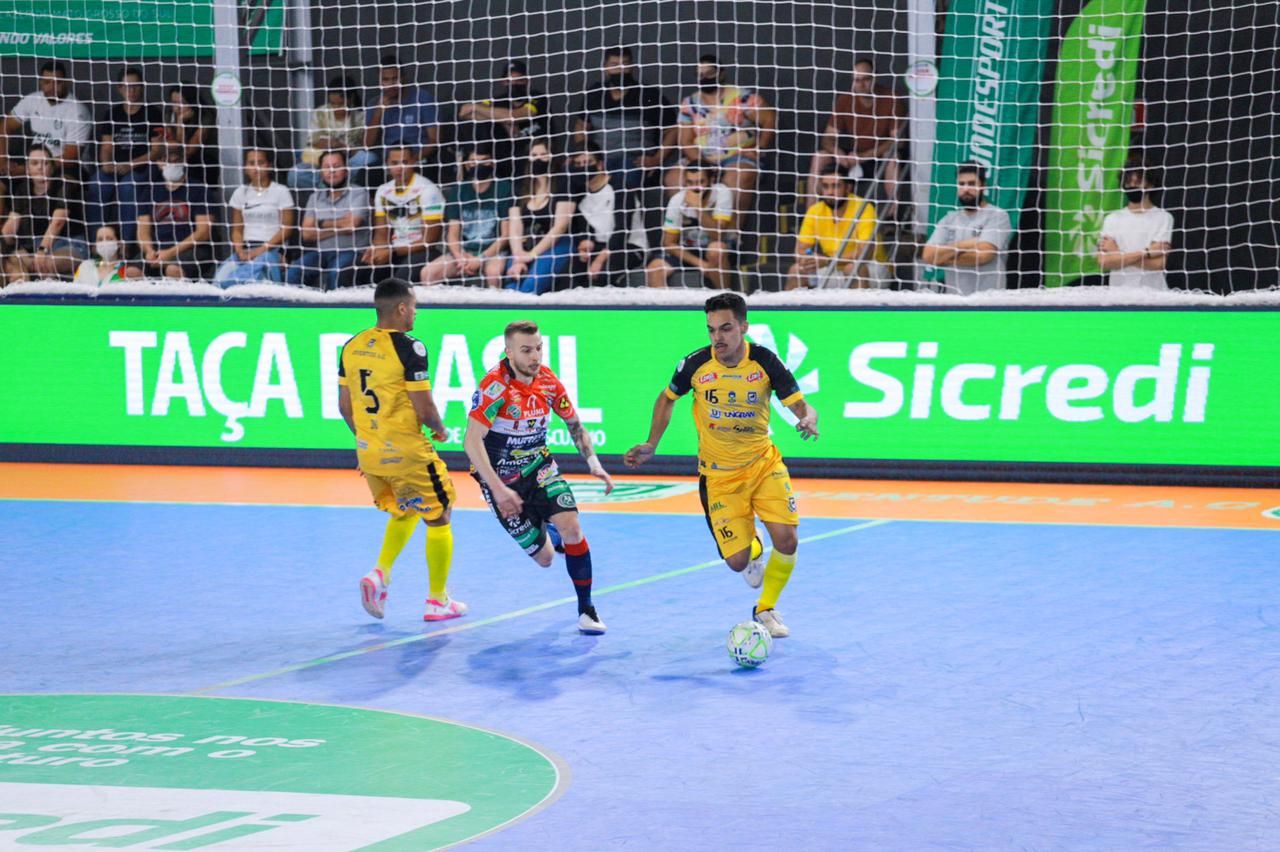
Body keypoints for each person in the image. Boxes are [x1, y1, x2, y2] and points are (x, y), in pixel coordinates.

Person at [624, 293, 818, 637]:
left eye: (726, 328)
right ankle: (753, 546)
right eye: (712, 329)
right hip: (718, 477)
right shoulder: (696, 364)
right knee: (738, 562)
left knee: (788, 541)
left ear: (744, 326)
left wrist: (809, 417)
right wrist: (651, 443)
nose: (718, 337)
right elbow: (666, 400)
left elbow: (800, 404)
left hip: (762, 464)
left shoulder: (765, 362)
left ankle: (766, 609)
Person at [463, 320, 612, 634]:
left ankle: (586, 609)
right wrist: (498, 489)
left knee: (572, 527)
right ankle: (547, 529)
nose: (535, 356)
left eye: (539, 348)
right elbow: (471, 441)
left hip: (540, 468)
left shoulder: (548, 381)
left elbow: (575, 425)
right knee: (545, 559)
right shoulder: (495, 387)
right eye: (526, 350)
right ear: (509, 352)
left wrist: (593, 462)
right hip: (501, 481)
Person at [339, 278, 463, 623]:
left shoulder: (351, 346)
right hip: (406, 450)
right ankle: (438, 601)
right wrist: (439, 428)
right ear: (402, 308)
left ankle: (380, 574)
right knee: (440, 512)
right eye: (415, 306)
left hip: (370, 452)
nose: (417, 312)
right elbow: (424, 406)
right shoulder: (410, 347)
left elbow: (344, 407)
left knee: (407, 508)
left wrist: (368, 442)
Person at [573, 46, 678, 249]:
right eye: (614, 65)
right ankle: (585, 242)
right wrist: (583, 154)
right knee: (572, 177)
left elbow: (673, 130)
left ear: (632, 67)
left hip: (633, 159)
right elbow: (580, 127)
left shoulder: (648, 95)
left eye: (625, 65)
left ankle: (621, 243)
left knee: (623, 179)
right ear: (605, 67)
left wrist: (656, 159)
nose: (620, 69)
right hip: (600, 160)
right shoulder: (595, 94)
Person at [667, 54, 776, 215]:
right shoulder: (689, 103)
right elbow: (686, 141)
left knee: (737, 177)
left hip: (738, 156)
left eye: (709, 73)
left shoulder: (742, 97)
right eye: (700, 74)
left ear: (721, 73)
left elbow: (770, 119)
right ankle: (689, 232)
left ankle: (731, 234)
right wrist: (702, 164)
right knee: (673, 178)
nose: (704, 78)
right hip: (702, 158)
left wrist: (760, 148)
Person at [808, 58, 904, 209]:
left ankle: (893, 219)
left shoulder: (891, 99)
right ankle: (811, 216)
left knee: (893, 158)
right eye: (857, 80)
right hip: (852, 157)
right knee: (820, 157)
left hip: (878, 157)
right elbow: (828, 138)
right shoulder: (845, 100)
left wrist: (865, 156)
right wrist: (838, 153)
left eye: (866, 79)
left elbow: (898, 141)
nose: (861, 84)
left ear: (875, 77)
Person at [420, 142, 511, 287]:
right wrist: (459, 256)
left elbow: (506, 235)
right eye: (474, 161)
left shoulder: (504, 188)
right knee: (428, 273)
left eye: (484, 161)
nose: (478, 165)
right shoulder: (460, 190)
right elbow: (452, 233)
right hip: (465, 251)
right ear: (467, 164)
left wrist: (481, 258)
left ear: (492, 163)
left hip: (493, 252)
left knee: (494, 273)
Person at [85, 65, 162, 237]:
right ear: (120, 88)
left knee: (128, 187)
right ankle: (96, 241)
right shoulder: (112, 114)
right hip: (116, 167)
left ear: (142, 87)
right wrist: (106, 163)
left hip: (143, 166)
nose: (132, 91)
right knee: (97, 184)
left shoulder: (152, 113)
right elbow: (106, 146)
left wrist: (131, 165)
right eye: (127, 86)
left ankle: (127, 243)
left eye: (136, 86)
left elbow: (157, 151)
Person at [921, 161, 1011, 294]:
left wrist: (944, 256)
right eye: (961, 184)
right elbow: (928, 256)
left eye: (971, 184)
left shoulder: (997, 215)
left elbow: (982, 256)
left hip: (990, 301)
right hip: (954, 302)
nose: (966, 189)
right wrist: (968, 243)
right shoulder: (949, 219)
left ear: (983, 186)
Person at [1, 144, 87, 283]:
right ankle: (23, 296)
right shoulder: (23, 190)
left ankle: (51, 299)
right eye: (35, 163)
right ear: (28, 169)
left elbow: (57, 223)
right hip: (35, 247)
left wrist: (42, 250)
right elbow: (12, 224)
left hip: (69, 244)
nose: (40, 167)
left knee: (46, 263)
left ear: (52, 168)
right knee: (10, 261)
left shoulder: (63, 185)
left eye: (45, 163)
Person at [287, 149, 370, 291]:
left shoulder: (359, 192)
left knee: (336, 273)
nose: (331, 171)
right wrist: (340, 225)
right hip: (322, 252)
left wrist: (320, 224)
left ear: (346, 170)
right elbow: (306, 234)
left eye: (336, 166)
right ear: (321, 171)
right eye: (327, 167)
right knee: (294, 272)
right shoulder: (315, 197)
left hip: (352, 251)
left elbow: (351, 226)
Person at [361, 145, 445, 284]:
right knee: (357, 273)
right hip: (394, 250)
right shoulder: (383, 190)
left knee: (399, 282)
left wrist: (392, 252)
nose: (399, 168)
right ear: (387, 164)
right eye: (394, 163)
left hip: (422, 252)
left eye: (404, 162)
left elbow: (429, 240)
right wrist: (378, 252)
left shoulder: (428, 189)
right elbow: (381, 233)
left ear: (413, 162)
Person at [786, 166, 878, 290]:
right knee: (796, 270)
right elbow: (799, 250)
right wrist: (810, 260)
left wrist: (828, 260)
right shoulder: (815, 210)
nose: (830, 192)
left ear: (848, 188)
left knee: (852, 268)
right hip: (833, 267)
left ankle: (861, 310)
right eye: (825, 186)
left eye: (836, 186)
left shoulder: (864, 207)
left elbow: (865, 253)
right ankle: (791, 310)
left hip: (871, 268)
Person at [213, 149, 295, 287]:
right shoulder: (240, 192)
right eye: (251, 163)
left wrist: (260, 250)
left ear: (269, 165)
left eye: (260, 162)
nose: (256, 167)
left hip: (271, 250)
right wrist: (239, 251)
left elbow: (286, 229)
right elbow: (237, 230)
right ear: (245, 168)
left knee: (255, 280)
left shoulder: (281, 191)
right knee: (219, 280)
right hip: (245, 251)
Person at [646, 162, 734, 288]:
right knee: (655, 268)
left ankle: (725, 299)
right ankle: (665, 307)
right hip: (689, 251)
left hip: (720, 249)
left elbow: (718, 236)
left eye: (700, 182)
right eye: (690, 183)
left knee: (716, 250)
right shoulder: (677, 200)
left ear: (711, 180)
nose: (695, 188)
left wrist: (698, 208)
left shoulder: (722, 193)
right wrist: (701, 264)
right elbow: (669, 243)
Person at [458, 59, 550, 179]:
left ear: (528, 81)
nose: (514, 84)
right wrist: (500, 118)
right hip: (503, 165)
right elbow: (464, 112)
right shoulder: (497, 101)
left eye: (519, 80)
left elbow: (515, 116)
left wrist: (502, 117)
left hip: (533, 162)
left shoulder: (538, 98)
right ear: (504, 82)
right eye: (509, 80)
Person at [1, 60, 93, 178]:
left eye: (57, 82)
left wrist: (27, 169)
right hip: (34, 164)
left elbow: (71, 157)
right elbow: (4, 127)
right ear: (40, 83)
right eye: (47, 82)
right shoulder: (32, 100)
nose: (52, 87)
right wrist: (2, 161)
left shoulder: (78, 111)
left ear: (67, 82)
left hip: (68, 168)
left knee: (63, 189)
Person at [504, 140, 574, 294]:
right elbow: (515, 226)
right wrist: (519, 256)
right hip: (524, 245)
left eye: (544, 155)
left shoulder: (564, 183)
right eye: (534, 155)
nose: (538, 159)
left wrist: (532, 255)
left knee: (531, 284)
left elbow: (560, 227)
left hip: (556, 244)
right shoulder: (520, 185)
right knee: (512, 285)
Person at [136, 145, 215, 281]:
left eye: (175, 161)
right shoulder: (150, 191)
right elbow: (142, 230)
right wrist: (149, 251)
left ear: (183, 161)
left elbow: (203, 232)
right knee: (132, 271)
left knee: (173, 270)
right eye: (166, 161)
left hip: (192, 249)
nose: (170, 165)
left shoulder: (199, 190)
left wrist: (171, 253)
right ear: (159, 163)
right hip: (158, 249)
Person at [1096, 160, 1174, 290]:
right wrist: (1147, 252)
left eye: (1137, 182)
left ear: (1150, 185)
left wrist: (1118, 254)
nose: (1132, 186)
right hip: (1118, 294)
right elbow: (1104, 262)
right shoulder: (1112, 219)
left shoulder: (1164, 217)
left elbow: (1158, 263)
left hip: (1155, 294)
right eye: (1128, 182)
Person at [288, 76, 374, 190]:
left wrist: (340, 146)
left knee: (370, 158)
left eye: (340, 104)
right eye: (333, 104)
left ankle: (330, 183)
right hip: (322, 161)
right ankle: (332, 184)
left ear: (350, 98)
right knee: (294, 174)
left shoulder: (361, 116)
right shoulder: (321, 113)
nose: (335, 108)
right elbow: (314, 145)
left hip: (348, 161)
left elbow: (363, 148)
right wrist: (331, 147)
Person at [566, 143, 633, 286]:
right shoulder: (579, 194)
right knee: (567, 276)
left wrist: (600, 259)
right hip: (597, 246)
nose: (582, 168)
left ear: (600, 164)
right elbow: (585, 228)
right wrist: (585, 243)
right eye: (578, 164)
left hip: (628, 246)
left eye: (587, 162)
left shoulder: (620, 187)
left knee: (602, 274)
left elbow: (623, 229)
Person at [364, 56, 439, 179]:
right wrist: (378, 114)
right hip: (389, 163)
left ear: (403, 77)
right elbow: (367, 144)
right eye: (386, 80)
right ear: (380, 81)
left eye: (395, 79)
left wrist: (411, 160)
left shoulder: (423, 98)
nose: (391, 84)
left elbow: (434, 140)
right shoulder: (374, 103)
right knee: (366, 175)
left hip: (418, 160)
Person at [159, 84, 219, 189]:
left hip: (203, 160)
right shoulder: (169, 115)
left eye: (182, 103)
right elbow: (173, 149)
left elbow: (187, 152)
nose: (177, 108)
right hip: (175, 160)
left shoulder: (205, 117)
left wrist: (180, 123)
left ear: (192, 103)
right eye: (174, 103)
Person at [73, 224, 142, 285]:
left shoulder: (127, 271)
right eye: (100, 239)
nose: (104, 242)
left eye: (109, 239)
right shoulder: (85, 266)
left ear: (119, 243)